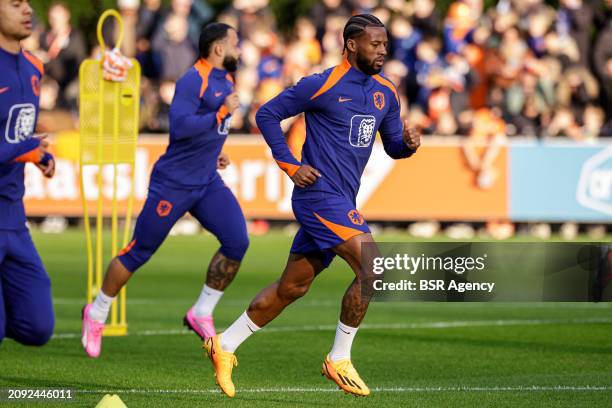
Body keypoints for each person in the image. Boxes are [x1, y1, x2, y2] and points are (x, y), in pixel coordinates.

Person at [204, 14, 421, 398]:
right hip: (318, 196)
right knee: (374, 266)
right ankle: (339, 358)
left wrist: (408, 144)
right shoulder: (322, 84)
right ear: (352, 45)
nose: (383, 50)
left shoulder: (386, 92)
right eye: (375, 43)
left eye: (385, 44)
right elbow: (266, 114)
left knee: (291, 287)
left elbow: (392, 146)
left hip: (341, 200)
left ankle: (225, 344)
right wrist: (290, 164)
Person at [81, 23, 249, 358]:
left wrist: (214, 150)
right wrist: (220, 112)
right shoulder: (192, 79)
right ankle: (96, 312)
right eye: (235, 43)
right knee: (138, 251)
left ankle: (200, 312)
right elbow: (181, 126)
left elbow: (208, 129)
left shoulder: (225, 80)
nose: (240, 49)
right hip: (173, 183)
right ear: (218, 49)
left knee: (237, 241)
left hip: (205, 181)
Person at [0, 0, 56, 347]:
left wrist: (37, 156)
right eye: (15, 3)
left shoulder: (34, 67)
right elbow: (17, 145)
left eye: (28, 2)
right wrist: (25, 150)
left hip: (13, 219)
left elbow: (15, 137)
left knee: (38, 328)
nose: (27, 9)